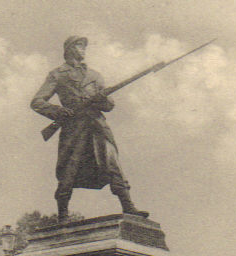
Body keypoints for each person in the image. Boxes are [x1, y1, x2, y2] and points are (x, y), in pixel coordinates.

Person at [31, 36, 148, 222]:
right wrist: (59, 111)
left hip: (97, 127)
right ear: (69, 48)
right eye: (79, 45)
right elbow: (37, 102)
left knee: (112, 164)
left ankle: (128, 206)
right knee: (68, 170)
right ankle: (62, 216)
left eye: (84, 45)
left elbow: (109, 105)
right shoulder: (57, 74)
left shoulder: (94, 75)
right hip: (73, 128)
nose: (83, 48)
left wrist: (101, 98)